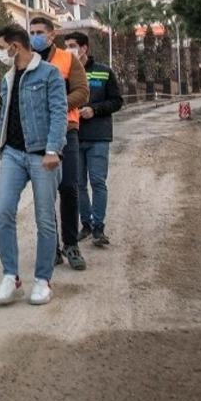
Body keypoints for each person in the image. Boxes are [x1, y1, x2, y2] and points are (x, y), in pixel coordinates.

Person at [0, 24, 68, 307]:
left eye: (2, 47)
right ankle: (11, 276)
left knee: (45, 219)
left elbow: (59, 112)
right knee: (3, 212)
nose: (1, 53)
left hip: (41, 154)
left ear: (16, 46)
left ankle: (42, 280)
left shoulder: (49, 74)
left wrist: (53, 149)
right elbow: (5, 113)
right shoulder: (7, 78)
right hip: (12, 153)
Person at [28, 17, 90, 272]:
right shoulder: (27, 61)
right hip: (37, 135)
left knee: (69, 186)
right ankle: (50, 246)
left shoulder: (68, 59)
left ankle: (71, 244)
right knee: (44, 192)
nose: (34, 36)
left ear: (52, 35)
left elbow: (82, 91)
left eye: (39, 32)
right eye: (31, 32)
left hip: (67, 130)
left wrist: (56, 104)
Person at [63, 31, 124, 247]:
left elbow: (117, 101)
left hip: (98, 136)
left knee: (97, 181)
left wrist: (94, 110)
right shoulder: (64, 72)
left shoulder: (104, 72)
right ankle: (86, 224)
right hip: (73, 136)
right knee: (78, 184)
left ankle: (99, 228)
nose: (68, 49)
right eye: (66, 45)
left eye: (72, 45)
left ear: (84, 48)